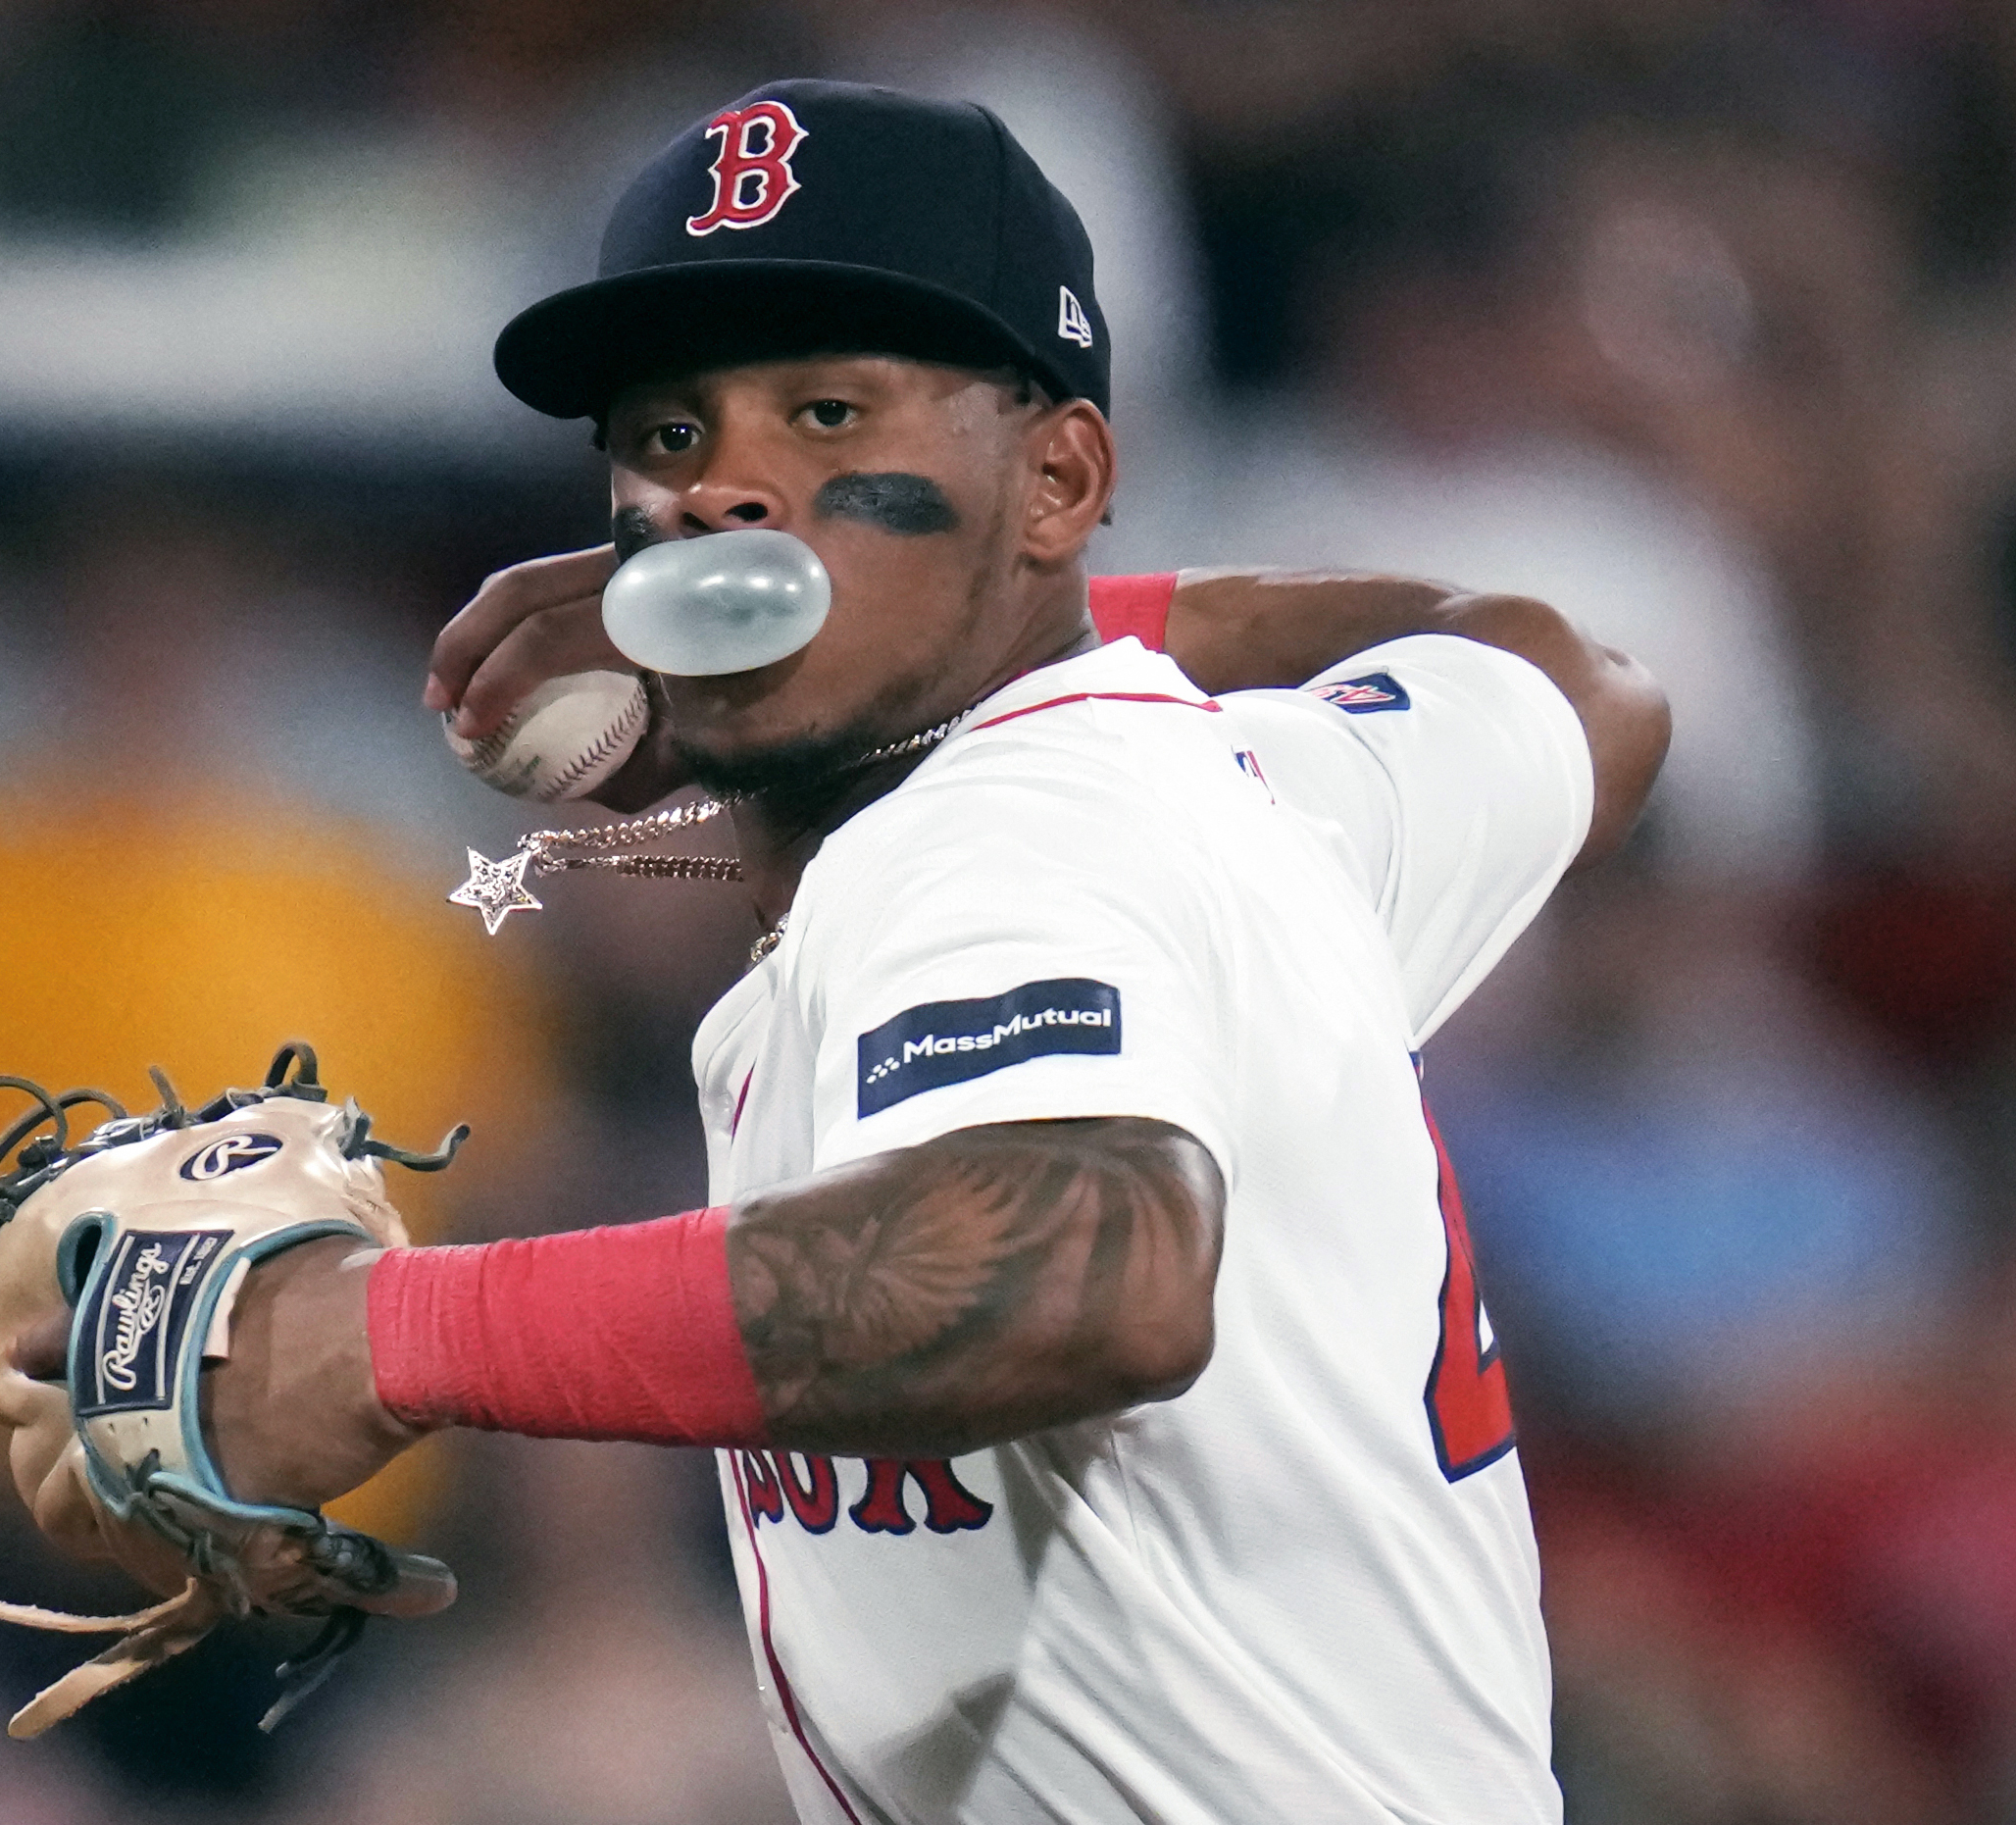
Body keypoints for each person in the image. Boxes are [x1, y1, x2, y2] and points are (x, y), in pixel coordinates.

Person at [104, 79, 1668, 1821]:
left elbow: (1092, 1260)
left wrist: (395, 1335)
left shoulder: (990, 837)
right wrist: (1062, 604)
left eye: (829, 412)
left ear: (1063, 468)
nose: (727, 495)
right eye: (671, 435)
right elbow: (1569, 676)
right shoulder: (1247, 787)